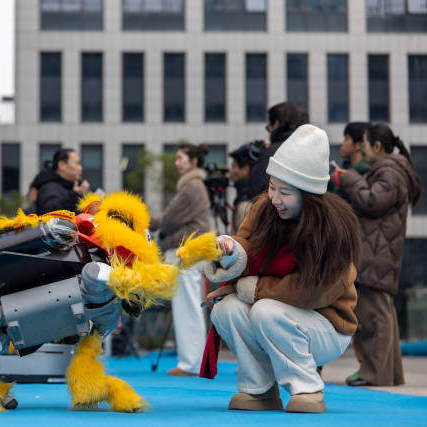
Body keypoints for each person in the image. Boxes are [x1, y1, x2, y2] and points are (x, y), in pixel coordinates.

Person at [206, 124, 360, 413]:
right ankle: (259, 389)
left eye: (285, 192)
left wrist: (255, 289)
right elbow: (245, 244)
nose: (275, 198)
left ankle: (308, 388)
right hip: (277, 312)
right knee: (227, 310)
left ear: (309, 194)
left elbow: (315, 291)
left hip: (327, 324)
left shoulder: (333, 229)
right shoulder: (263, 209)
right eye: (272, 187)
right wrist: (229, 251)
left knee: (266, 311)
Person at [334, 124, 421, 387]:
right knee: (382, 314)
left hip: (376, 253)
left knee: (374, 317)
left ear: (378, 146)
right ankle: (389, 373)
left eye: (365, 143)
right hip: (380, 252)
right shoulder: (392, 170)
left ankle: (375, 374)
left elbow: (372, 201)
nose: (362, 148)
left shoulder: (389, 171)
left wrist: (349, 178)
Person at [149, 143, 211, 376]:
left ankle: (191, 363)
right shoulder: (194, 185)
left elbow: (167, 221)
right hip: (189, 251)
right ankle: (193, 362)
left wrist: (142, 219)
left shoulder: (191, 186)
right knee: (189, 305)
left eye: (180, 158)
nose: (176, 163)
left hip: (186, 252)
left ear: (193, 161)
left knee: (188, 307)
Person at [245, 102, 309, 199]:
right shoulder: (309, 150)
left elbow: (254, 190)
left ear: (276, 124)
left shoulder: (274, 153)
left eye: (268, 128)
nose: (269, 131)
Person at [35, 148, 89, 215]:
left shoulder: (70, 187)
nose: (81, 168)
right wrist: (75, 196)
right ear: (62, 165)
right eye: (77, 163)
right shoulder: (49, 189)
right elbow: (53, 215)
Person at [327, 122, 371, 193]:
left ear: (358, 145)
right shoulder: (346, 167)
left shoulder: (366, 173)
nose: (342, 143)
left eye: (346, 139)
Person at [229, 142, 262, 233]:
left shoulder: (246, 204)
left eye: (234, 166)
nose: (230, 171)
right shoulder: (249, 193)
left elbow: (243, 237)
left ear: (245, 169)